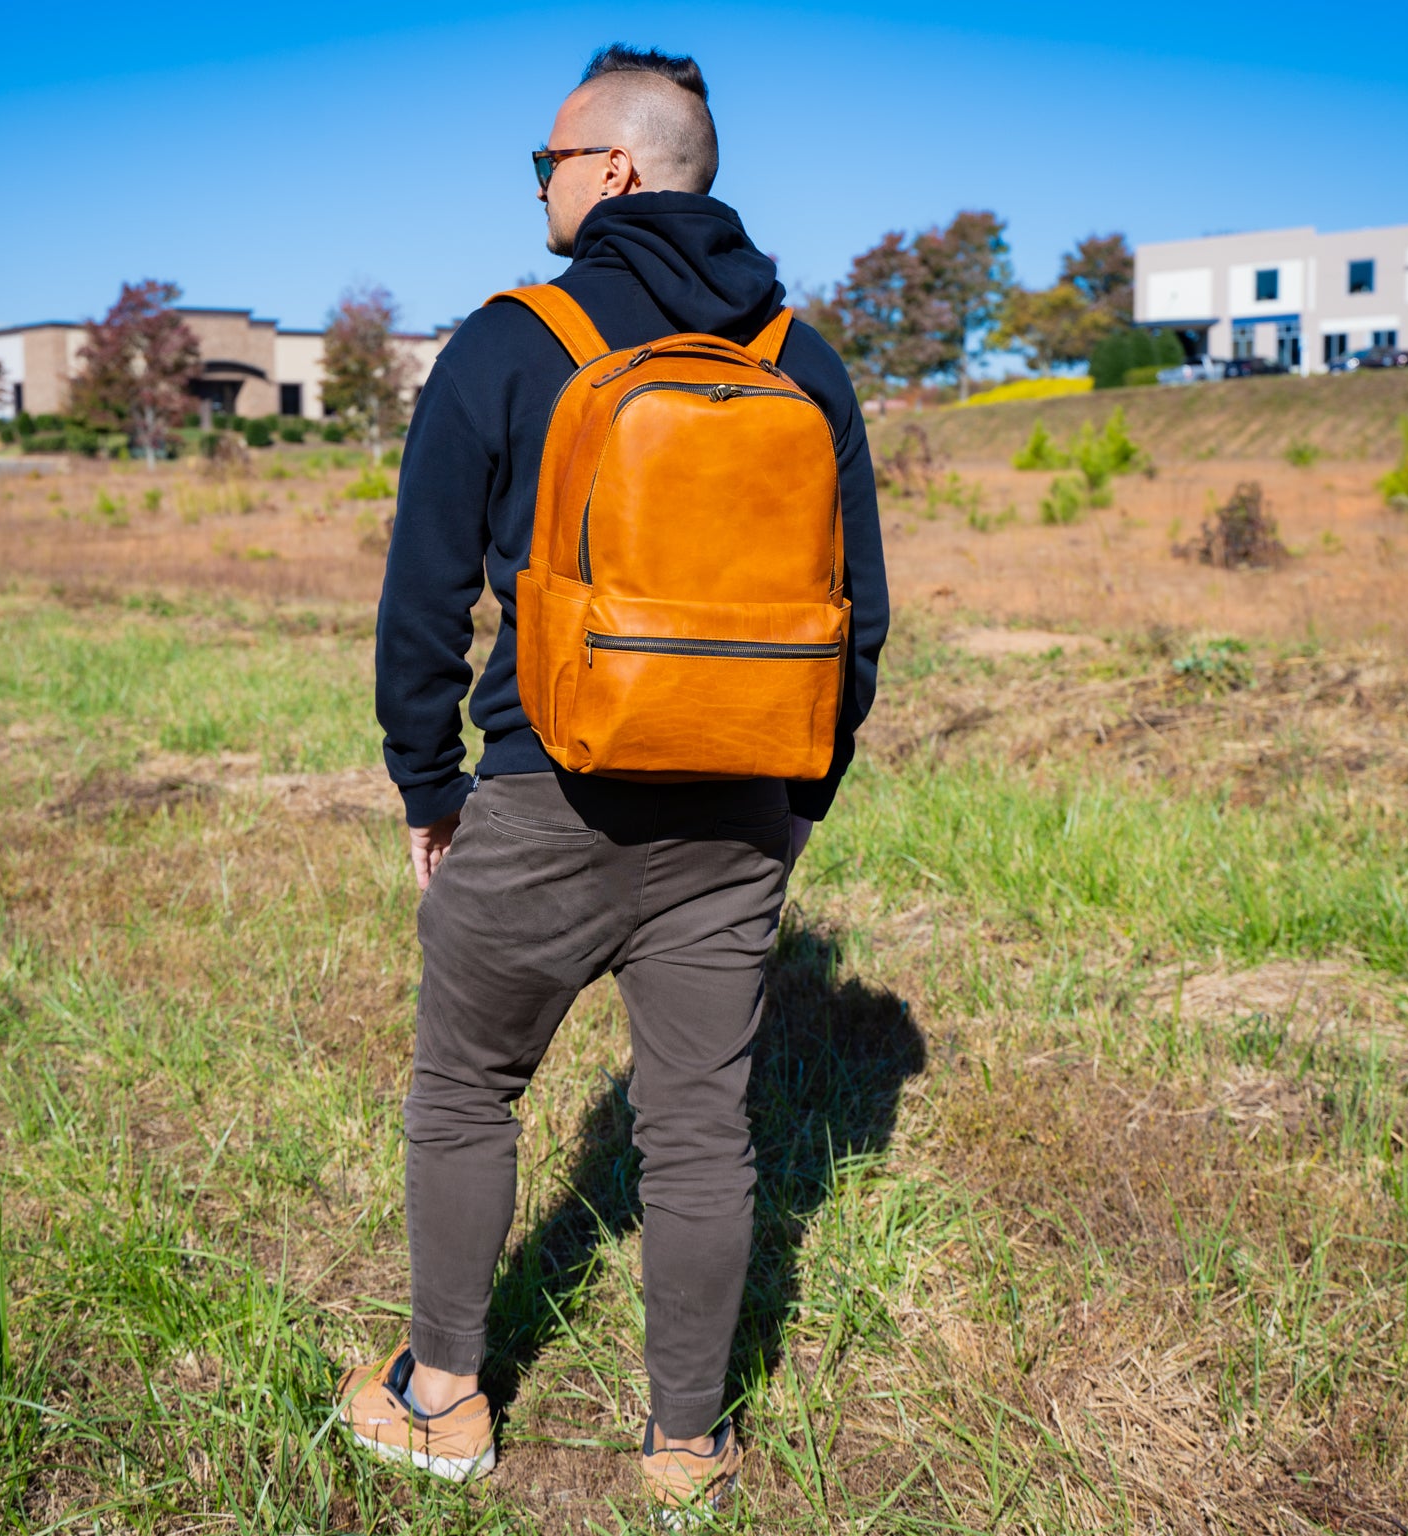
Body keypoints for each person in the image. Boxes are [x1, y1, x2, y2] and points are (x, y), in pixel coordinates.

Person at [341, 42, 888, 1522]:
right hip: (735, 812)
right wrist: (793, 805)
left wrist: (426, 787)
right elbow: (863, 622)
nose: (539, 181)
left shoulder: (514, 339)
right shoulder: (801, 359)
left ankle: (442, 1399)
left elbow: (423, 598)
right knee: (701, 1127)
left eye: (550, 161)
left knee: (466, 1087)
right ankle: (686, 1446)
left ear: (618, 172)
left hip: (543, 794)